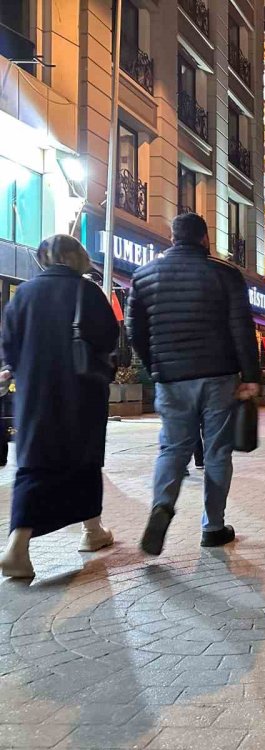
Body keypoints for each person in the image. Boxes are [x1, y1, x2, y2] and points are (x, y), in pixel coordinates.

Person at [127, 213, 260, 555]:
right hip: (219, 374)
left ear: (172, 237)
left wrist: (156, 364)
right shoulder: (225, 274)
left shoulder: (144, 276)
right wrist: (250, 377)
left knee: (172, 448)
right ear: (205, 239)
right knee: (217, 451)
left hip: (171, 378)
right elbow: (241, 329)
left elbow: (134, 332)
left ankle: (162, 505)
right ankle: (213, 527)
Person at [0, 235, 119, 579]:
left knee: (35, 464)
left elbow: (10, 346)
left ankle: (18, 547)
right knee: (84, 460)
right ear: (72, 257)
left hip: (34, 393)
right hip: (81, 390)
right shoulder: (87, 292)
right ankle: (90, 531)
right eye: (80, 252)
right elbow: (109, 337)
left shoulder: (23, 294)